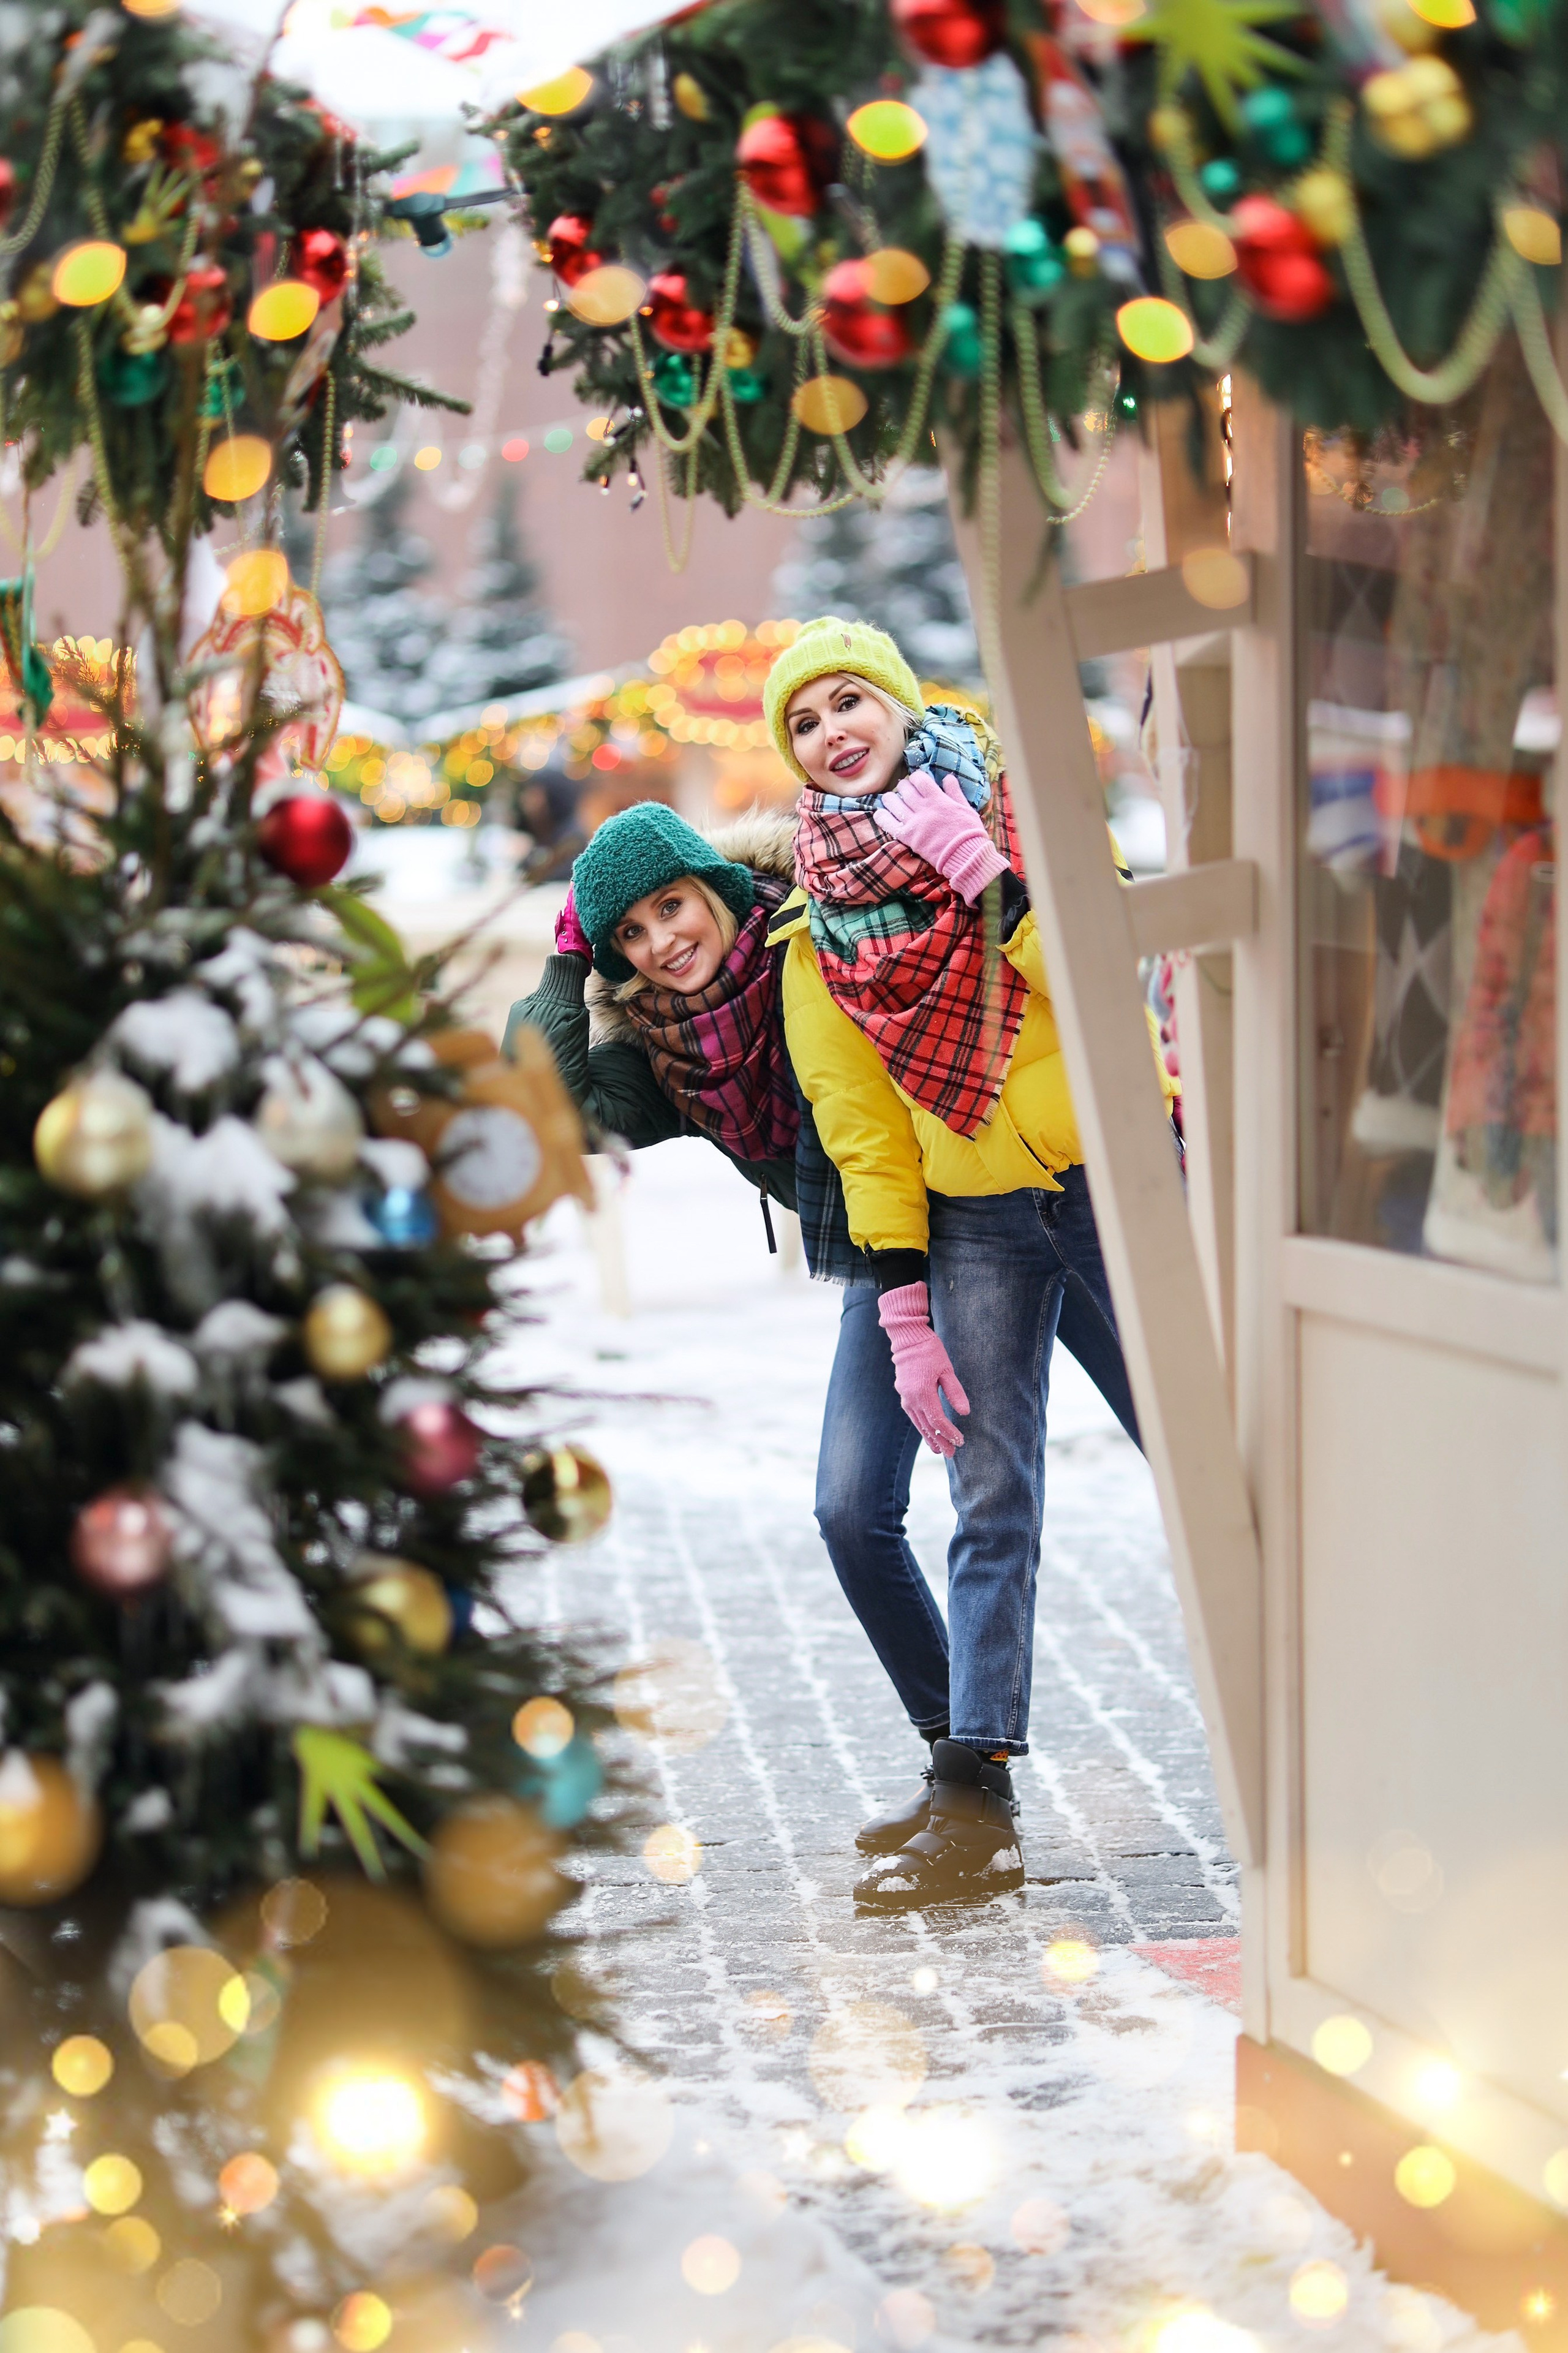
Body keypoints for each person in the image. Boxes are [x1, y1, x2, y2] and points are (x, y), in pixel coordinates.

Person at [762, 615, 1178, 1909]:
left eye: (847, 701)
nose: (833, 731)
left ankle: (1346, 1711)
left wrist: (987, 881)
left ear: (893, 700)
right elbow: (866, 1132)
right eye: (803, 721)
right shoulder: (812, 927)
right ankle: (975, 1802)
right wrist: (901, 1310)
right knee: (988, 1510)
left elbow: (1110, 980)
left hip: (1114, 1177)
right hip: (975, 1221)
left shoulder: (1020, 807)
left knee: (1214, 1456)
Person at [504, 801, 964, 1863]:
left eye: (672, 905)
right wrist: (564, 965)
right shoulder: (667, 1055)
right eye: (630, 932)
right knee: (853, 1512)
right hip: (879, 1262)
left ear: (712, 882)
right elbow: (550, 1104)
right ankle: (964, 1771)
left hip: (982, 1221)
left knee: (1046, 1478)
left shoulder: (817, 931)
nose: (663, 941)